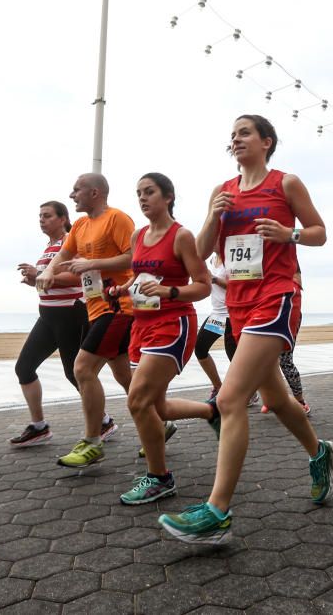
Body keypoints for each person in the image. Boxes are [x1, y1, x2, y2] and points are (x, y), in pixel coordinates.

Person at [159, 114, 333, 543]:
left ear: (266, 141)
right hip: (238, 304)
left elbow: (320, 233)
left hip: (277, 295)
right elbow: (198, 256)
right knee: (275, 399)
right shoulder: (222, 192)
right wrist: (211, 219)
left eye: (244, 132)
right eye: (233, 134)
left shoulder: (285, 183)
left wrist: (287, 233)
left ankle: (217, 512)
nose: (236, 139)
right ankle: (320, 454)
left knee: (230, 397)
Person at [113, 173, 220, 504]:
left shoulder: (182, 236)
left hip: (173, 324)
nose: (143, 198)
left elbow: (203, 284)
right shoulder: (138, 235)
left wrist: (168, 290)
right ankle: (211, 412)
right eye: (139, 193)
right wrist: (124, 287)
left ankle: (159, 478)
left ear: (168, 197)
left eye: (150, 192)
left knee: (138, 400)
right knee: (156, 406)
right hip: (141, 325)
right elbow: (139, 274)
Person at [36, 174, 136, 467]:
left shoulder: (117, 219)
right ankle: (159, 424)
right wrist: (48, 272)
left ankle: (93, 441)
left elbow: (134, 257)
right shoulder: (79, 225)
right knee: (124, 376)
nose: (71, 195)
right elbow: (65, 253)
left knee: (82, 368)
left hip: (118, 305)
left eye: (76, 190)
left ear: (94, 192)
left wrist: (92, 263)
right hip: (95, 308)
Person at [10, 201, 88, 447]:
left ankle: (103, 421)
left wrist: (44, 277)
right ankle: (39, 427)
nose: (41, 220)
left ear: (63, 218)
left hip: (70, 314)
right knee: (24, 368)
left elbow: (79, 276)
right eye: (40, 216)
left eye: (47, 216)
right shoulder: (49, 247)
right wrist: (34, 281)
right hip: (48, 316)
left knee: (74, 373)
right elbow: (49, 280)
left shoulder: (70, 241)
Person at [261, 268, 311, 414]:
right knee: (266, 360)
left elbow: (297, 284)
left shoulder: (287, 255)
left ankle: (300, 400)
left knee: (285, 360)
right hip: (265, 311)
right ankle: (272, 398)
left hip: (287, 311)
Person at [193, 254, 233, 401]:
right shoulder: (211, 260)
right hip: (217, 316)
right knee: (200, 349)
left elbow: (236, 287)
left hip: (231, 315)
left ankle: (248, 391)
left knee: (234, 357)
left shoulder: (230, 258)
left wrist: (214, 279)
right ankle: (218, 386)